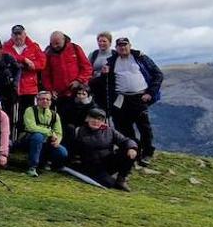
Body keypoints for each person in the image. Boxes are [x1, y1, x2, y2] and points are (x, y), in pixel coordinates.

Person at [92, 37, 163, 166]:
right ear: (116, 48)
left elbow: (158, 74)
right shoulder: (112, 61)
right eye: (119, 46)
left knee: (143, 126)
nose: (122, 47)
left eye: (125, 45)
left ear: (130, 45)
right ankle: (134, 150)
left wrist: (150, 93)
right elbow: (105, 81)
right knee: (123, 127)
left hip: (139, 97)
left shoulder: (140, 58)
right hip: (120, 98)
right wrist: (104, 74)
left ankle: (147, 152)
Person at [72, 107, 138, 191]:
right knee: (109, 183)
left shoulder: (110, 131)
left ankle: (121, 179)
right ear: (87, 118)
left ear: (103, 121)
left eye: (99, 119)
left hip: (108, 162)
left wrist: (132, 148)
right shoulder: (79, 131)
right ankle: (108, 179)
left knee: (130, 150)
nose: (96, 121)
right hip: (91, 166)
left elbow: (125, 140)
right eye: (93, 118)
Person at [2, 25, 47, 130]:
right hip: (11, 88)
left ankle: (23, 141)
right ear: (11, 35)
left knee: (26, 117)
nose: (18, 37)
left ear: (25, 34)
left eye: (20, 34)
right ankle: (9, 141)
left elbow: (42, 63)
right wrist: (24, 60)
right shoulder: (5, 47)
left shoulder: (34, 47)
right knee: (9, 117)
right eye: (15, 34)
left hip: (29, 89)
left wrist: (33, 65)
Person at [20, 91, 67, 176]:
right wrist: (49, 132)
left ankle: (50, 165)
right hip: (29, 141)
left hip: (46, 143)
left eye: (47, 99)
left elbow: (59, 132)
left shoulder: (55, 115)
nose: (45, 101)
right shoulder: (30, 110)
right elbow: (31, 127)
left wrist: (57, 141)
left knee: (62, 152)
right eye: (42, 99)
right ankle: (32, 167)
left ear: (50, 102)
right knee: (38, 136)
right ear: (37, 100)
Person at [42, 31, 93, 101]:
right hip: (60, 95)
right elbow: (45, 75)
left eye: (57, 43)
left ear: (63, 39)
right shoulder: (48, 53)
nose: (54, 46)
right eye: (52, 44)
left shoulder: (75, 48)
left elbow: (87, 68)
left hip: (77, 93)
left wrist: (79, 81)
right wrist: (50, 90)